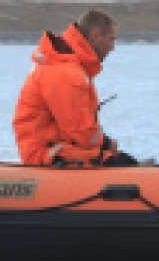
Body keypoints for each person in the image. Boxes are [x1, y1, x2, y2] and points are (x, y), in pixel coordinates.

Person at [13, 9, 135, 166]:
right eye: (111, 40)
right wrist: (106, 144)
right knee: (117, 162)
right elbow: (80, 133)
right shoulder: (65, 72)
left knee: (121, 161)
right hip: (46, 154)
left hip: (60, 148)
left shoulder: (68, 65)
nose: (112, 47)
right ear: (96, 35)